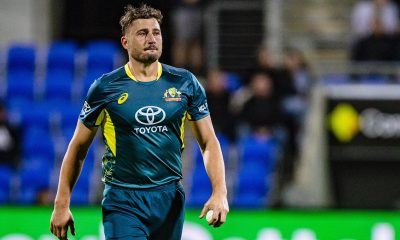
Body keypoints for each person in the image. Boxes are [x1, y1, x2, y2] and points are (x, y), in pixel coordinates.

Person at [50, 4, 229, 240]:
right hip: (123, 200)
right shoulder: (106, 88)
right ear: (125, 42)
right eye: (142, 33)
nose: (151, 38)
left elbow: (208, 142)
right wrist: (61, 203)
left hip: (169, 199)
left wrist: (220, 192)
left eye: (156, 32)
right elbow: (78, 147)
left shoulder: (185, 83)